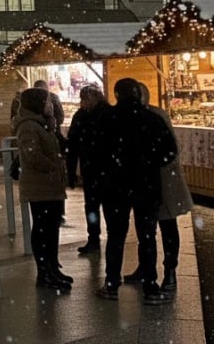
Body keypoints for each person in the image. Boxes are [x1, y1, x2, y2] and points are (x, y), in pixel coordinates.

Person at [95, 78, 177, 305]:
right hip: (146, 186)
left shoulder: (106, 119)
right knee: (147, 236)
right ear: (137, 94)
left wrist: (107, 173)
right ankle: (150, 286)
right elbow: (170, 150)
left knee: (116, 236)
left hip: (115, 187)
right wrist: (151, 163)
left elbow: (95, 152)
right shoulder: (151, 119)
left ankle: (111, 283)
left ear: (117, 95)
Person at [122, 82, 192, 294]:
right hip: (146, 182)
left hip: (163, 181)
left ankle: (170, 270)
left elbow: (171, 148)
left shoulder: (156, 116)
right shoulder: (137, 116)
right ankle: (146, 267)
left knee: (166, 226)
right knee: (146, 231)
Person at [14, 87, 72, 291]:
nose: (51, 105)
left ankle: (52, 267)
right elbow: (32, 155)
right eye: (47, 102)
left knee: (52, 226)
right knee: (43, 227)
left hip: (50, 184)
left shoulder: (44, 124)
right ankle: (44, 271)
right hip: (39, 185)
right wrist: (54, 166)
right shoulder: (29, 126)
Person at [66, 85, 109, 255]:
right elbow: (73, 145)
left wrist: (71, 171)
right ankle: (99, 238)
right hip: (102, 169)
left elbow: (72, 145)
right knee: (99, 206)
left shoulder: (83, 117)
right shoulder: (107, 114)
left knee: (93, 206)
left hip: (94, 168)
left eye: (84, 99)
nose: (82, 102)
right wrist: (71, 171)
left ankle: (95, 239)